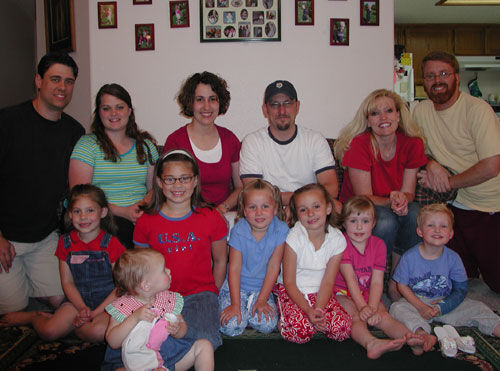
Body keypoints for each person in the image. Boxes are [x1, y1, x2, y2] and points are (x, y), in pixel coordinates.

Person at [0, 52, 84, 314]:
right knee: (15, 308)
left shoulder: (75, 132)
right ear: (38, 80)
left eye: (69, 82)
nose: (62, 88)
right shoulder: (7, 122)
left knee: (62, 301)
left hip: (46, 238)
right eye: (55, 79)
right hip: (6, 237)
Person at [412, 51, 500, 294]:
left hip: (487, 207)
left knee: (496, 282)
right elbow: (414, 147)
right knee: (457, 281)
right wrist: (431, 163)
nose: (437, 80)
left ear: (457, 78)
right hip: (450, 209)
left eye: (443, 74)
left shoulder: (477, 110)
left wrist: (449, 182)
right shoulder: (420, 111)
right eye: (430, 76)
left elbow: (492, 166)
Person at [0, 184, 125, 343]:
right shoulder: (65, 243)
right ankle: (33, 317)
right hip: (76, 301)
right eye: (77, 211)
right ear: (70, 214)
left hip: (107, 304)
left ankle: (75, 327)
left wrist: (94, 314)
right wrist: (81, 308)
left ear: (103, 212)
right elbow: (67, 282)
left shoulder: (112, 244)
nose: (83, 217)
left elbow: (120, 287)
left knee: (99, 333)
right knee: (49, 332)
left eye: (90, 210)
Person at [334, 89, 427, 301]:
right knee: (384, 220)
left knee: (415, 214)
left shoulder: (413, 144)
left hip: (392, 203)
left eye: (389, 111)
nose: (383, 117)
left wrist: (402, 200)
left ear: (398, 115)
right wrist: (393, 201)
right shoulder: (359, 144)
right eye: (375, 113)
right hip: (360, 206)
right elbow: (364, 197)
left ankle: (396, 281)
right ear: (368, 121)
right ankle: (370, 278)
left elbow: (409, 192)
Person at [134, 149, 228, 350]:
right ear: (159, 182)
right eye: (170, 179)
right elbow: (139, 269)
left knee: (205, 340)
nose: (178, 185)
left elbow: (220, 260)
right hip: (159, 295)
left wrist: (213, 293)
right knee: (147, 340)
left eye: (184, 178)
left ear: (195, 181)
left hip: (200, 294)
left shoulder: (211, 217)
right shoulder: (146, 221)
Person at [334, 196, 436, 359]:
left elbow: (376, 281)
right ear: (344, 224)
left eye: (365, 221)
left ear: (374, 223)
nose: (359, 226)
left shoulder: (378, 245)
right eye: (353, 221)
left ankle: (412, 338)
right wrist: (362, 307)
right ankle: (371, 343)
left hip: (367, 291)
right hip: (342, 292)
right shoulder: (341, 243)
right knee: (355, 317)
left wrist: (373, 307)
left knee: (384, 316)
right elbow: (350, 279)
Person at [390, 204, 500, 343]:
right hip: (416, 302)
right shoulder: (409, 257)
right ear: (420, 231)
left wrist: (444, 305)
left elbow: (461, 289)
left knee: (478, 307)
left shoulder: (453, 258)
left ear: (451, 233)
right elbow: (402, 286)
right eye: (430, 225)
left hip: (444, 301)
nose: (437, 230)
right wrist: (421, 307)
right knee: (396, 308)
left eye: (443, 226)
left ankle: (497, 328)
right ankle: (421, 334)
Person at [69, 83, 159, 250]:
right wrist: (123, 211)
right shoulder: (87, 146)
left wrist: (140, 207)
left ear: (129, 111)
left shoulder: (146, 146)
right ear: (99, 113)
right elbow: (79, 197)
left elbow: (154, 189)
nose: (114, 113)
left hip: (140, 215)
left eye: (119, 107)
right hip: (102, 219)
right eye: (106, 108)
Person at [240, 80, 342, 217]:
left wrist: (299, 204)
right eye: (275, 104)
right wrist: (295, 202)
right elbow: (253, 194)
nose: (282, 110)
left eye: (287, 103)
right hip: (268, 211)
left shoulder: (315, 140)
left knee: (338, 207)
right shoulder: (252, 142)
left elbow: (332, 188)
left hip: (309, 208)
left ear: (297, 106)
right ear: (265, 109)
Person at [105, 249, 214, 371]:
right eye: (163, 270)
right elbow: (113, 342)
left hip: (167, 357)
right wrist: (134, 318)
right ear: (146, 285)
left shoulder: (167, 299)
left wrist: (177, 330)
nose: (169, 270)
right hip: (132, 363)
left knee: (205, 346)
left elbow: (182, 327)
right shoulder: (122, 306)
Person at [274, 183, 351, 344]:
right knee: (301, 332)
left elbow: (328, 281)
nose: (310, 213)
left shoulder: (337, 239)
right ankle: (283, 319)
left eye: (316, 206)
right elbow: (289, 282)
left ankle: (310, 319)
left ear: (328, 208)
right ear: (297, 215)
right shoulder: (294, 237)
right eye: (303, 210)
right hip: (293, 290)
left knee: (342, 329)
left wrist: (318, 310)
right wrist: (308, 310)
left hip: (320, 292)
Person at [163, 72, 242, 216]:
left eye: (212, 99)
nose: (207, 106)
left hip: (224, 215)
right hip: (187, 215)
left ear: (220, 103)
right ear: (190, 102)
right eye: (199, 99)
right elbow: (168, 188)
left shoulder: (230, 139)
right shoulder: (175, 141)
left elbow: (240, 187)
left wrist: (221, 209)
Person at [219, 179, 288, 336]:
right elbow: (234, 269)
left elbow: (273, 267)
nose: (259, 212)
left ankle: (249, 311)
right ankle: (238, 308)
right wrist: (235, 304)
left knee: (267, 325)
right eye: (252, 207)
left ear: (275, 208)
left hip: (262, 289)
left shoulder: (281, 230)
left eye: (265, 206)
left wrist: (262, 299)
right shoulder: (239, 230)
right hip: (236, 288)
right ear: (243, 209)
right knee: (231, 326)